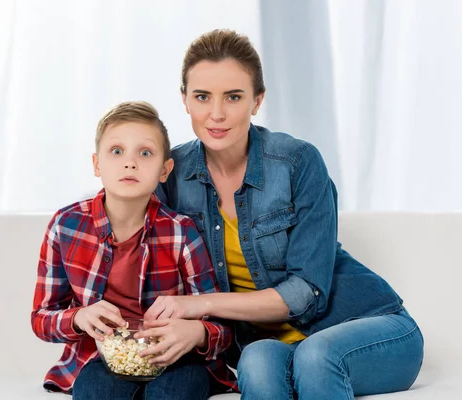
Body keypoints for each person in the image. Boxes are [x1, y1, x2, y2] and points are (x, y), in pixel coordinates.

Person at [143, 29, 424, 400]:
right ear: (184, 101)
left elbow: (306, 293)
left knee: (315, 356)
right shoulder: (171, 174)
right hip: (269, 342)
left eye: (233, 96)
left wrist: (200, 304)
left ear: (257, 101)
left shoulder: (297, 162)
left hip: (369, 327)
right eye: (202, 97)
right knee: (255, 362)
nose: (216, 114)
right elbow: (136, 245)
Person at [30, 101, 237, 399]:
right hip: (101, 358)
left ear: (165, 170)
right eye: (117, 151)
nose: (130, 163)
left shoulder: (181, 232)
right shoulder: (66, 226)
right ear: (97, 164)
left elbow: (221, 324)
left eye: (145, 153)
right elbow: (41, 317)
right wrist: (78, 317)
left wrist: (197, 333)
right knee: (95, 394)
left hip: (178, 358)